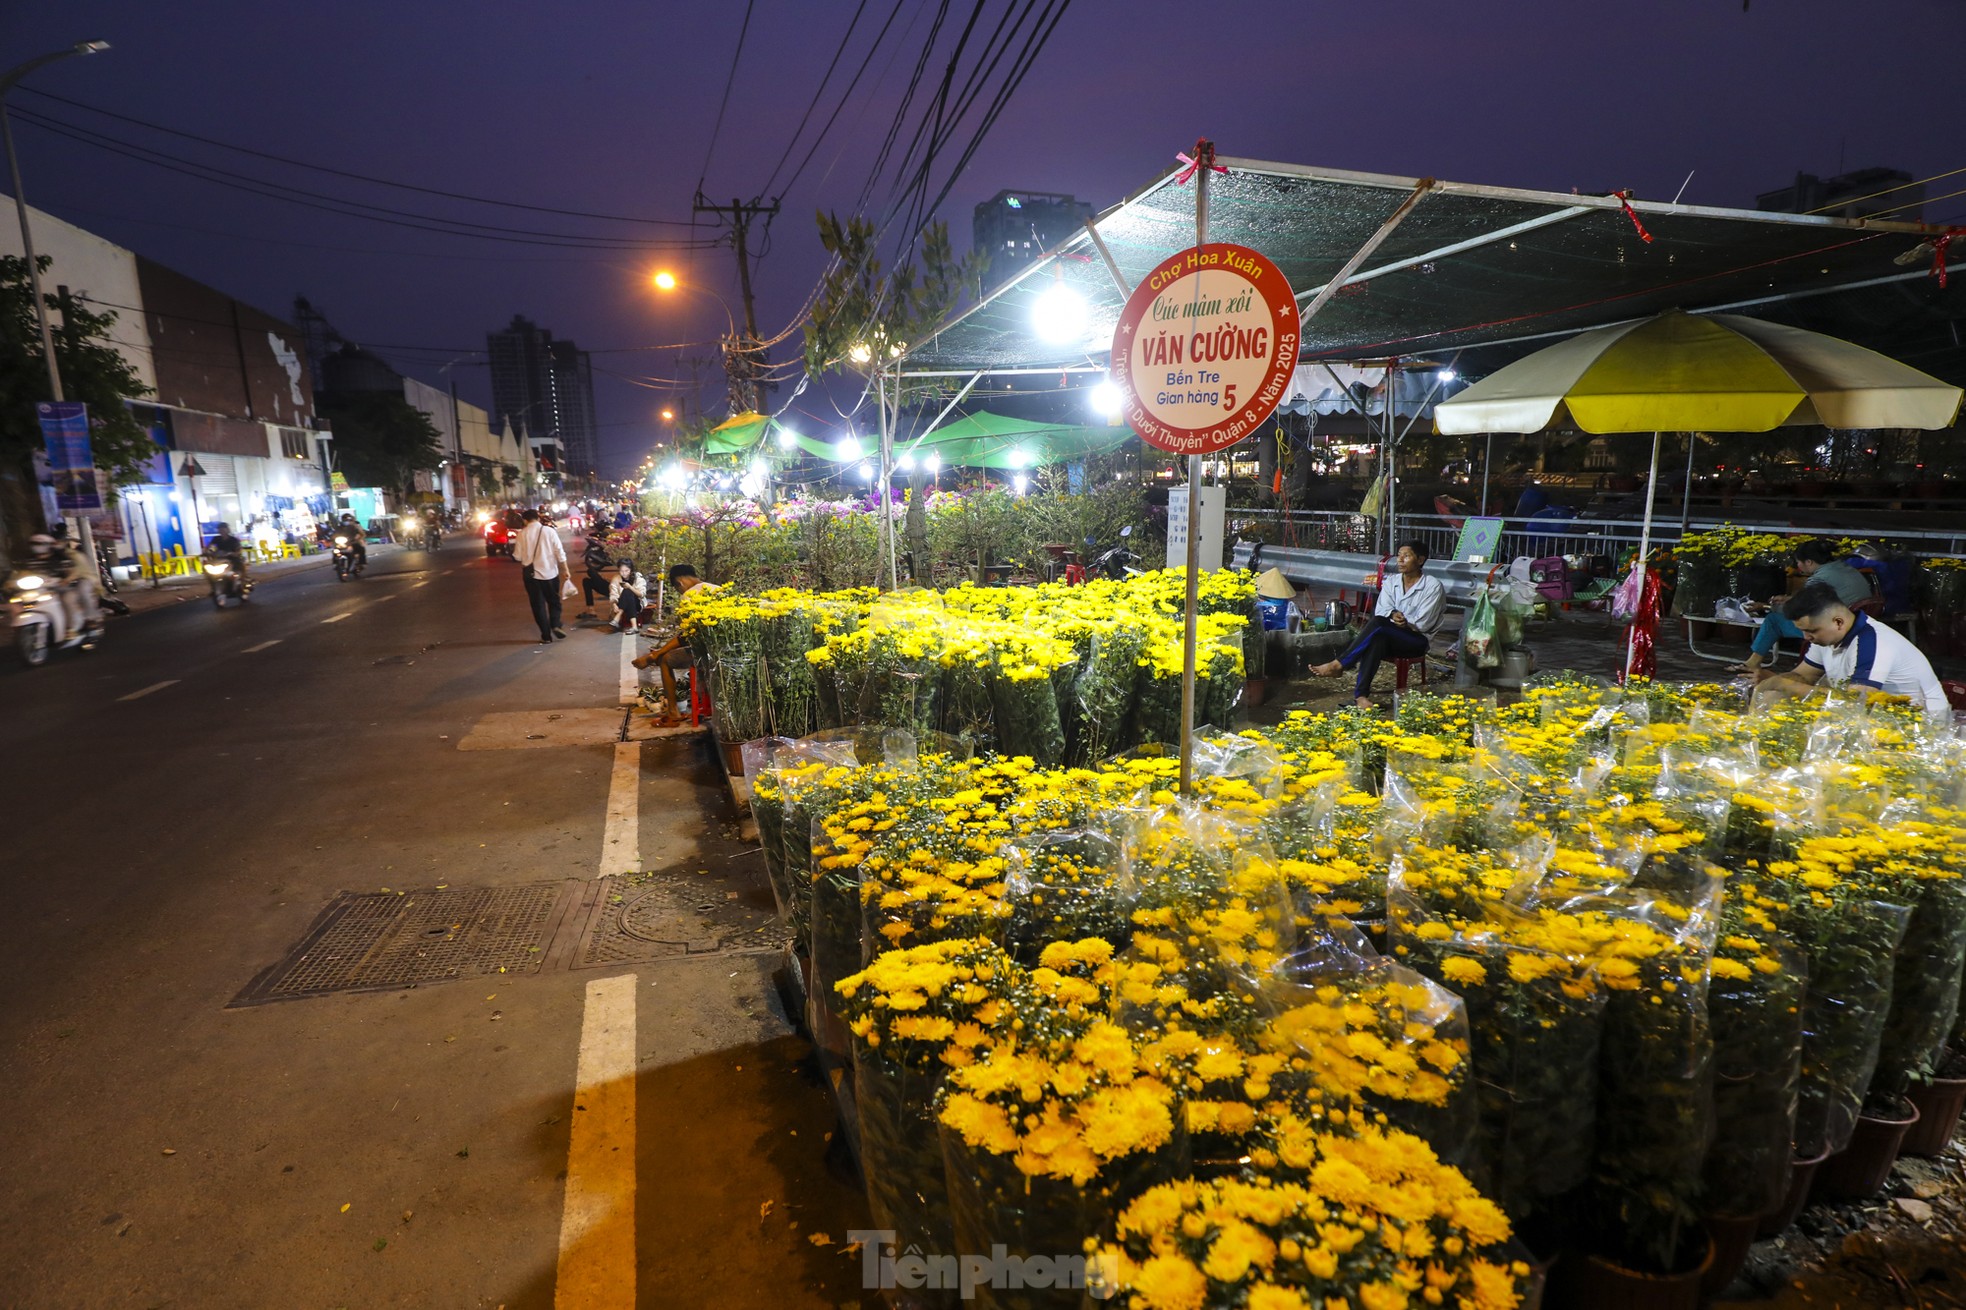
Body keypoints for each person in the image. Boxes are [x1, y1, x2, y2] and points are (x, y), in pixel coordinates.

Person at [1752, 582, 1949, 722]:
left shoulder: (1873, 642)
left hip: (1920, 723)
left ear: (1838, 622)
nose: (1806, 637)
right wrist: (1772, 683)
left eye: (1811, 631)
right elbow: (1803, 676)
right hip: (1878, 717)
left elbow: (1854, 704)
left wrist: (1783, 684)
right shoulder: (1826, 639)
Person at [1310, 541, 1446, 709]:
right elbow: (1383, 610)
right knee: (1377, 639)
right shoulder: (1392, 582)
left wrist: (1404, 622)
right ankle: (1360, 697)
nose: (1400, 560)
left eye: (1407, 556)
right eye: (1399, 555)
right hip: (1390, 636)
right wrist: (1392, 615)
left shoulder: (1432, 586)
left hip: (1417, 640)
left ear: (1420, 560)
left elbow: (1424, 623)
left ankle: (1339, 664)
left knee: (1378, 624)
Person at [1733, 540, 1875, 677]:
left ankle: (1753, 662)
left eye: (1798, 562)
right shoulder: (1846, 569)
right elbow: (1825, 597)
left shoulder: (1818, 579)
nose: (1797, 566)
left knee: (1773, 620)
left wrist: (1765, 606)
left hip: (1832, 627)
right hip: (1858, 618)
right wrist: (1790, 599)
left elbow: (1803, 611)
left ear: (1809, 562)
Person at [631, 564, 722, 722]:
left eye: (677, 588)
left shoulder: (689, 595)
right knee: (665, 655)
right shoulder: (717, 589)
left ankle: (673, 711)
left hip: (708, 653)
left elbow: (687, 636)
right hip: (726, 648)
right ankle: (653, 657)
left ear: (679, 583)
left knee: (666, 660)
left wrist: (657, 654)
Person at [27, 527, 98, 633]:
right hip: (46, 587)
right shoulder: (30, 560)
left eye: (40, 544)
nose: (37, 547)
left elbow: (76, 571)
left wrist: (68, 579)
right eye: (34, 544)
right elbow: (24, 573)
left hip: (77, 580)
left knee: (71, 597)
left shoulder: (67, 557)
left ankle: (77, 625)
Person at [513, 507, 568, 643]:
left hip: (531, 575)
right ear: (538, 518)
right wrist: (565, 569)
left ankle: (546, 636)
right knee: (554, 601)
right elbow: (559, 552)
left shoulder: (522, 534)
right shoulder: (549, 531)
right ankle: (555, 624)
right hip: (550, 573)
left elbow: (518, 557)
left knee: (538, 605)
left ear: (525, 520)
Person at [576, 531, 615, 615]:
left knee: (590, 571)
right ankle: (590, 609)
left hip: (614, 589)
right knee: (586, 581)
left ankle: (600, 579)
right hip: (611, 586)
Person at [608, 561, 649, 632]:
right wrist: (614, 605)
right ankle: (634, 627)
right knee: (627, 592)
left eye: (626, 571)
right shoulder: (616, 578)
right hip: (621, 603)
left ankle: (617, 618)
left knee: (628, 590)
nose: (624, 573)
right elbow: (613, 594)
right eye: (621, 571)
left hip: (637, 603)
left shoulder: (638, 577)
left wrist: (630, 587)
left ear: (631, 570)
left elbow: (641, 594)